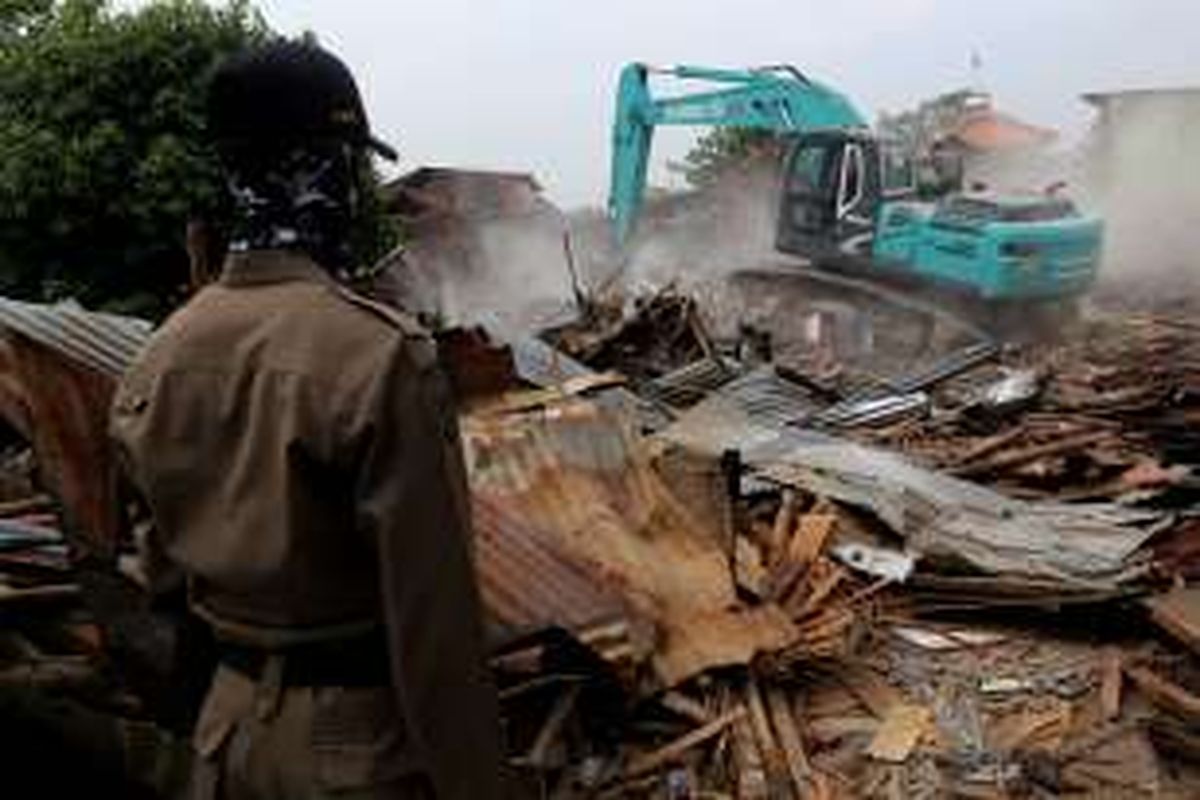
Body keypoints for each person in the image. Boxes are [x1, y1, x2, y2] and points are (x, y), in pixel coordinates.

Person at [110, 41, 502, 799]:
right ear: (323, 173)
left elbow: (160, 578)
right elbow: (435, 629)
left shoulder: (157, 358)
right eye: (350, 165)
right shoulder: (379, 356)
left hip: (221, 740)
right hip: (354, 751)